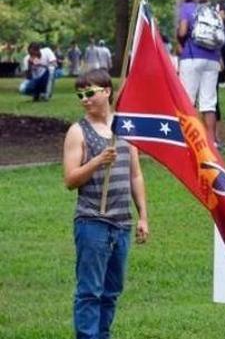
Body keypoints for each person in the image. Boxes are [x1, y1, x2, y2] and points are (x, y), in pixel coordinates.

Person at [63, 69, 149, 339]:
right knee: (90, 291)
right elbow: (70, 180)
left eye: (90, 93)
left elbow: (135, 174)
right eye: (80, 95)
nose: (84, 99)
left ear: (107, 91)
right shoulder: (78, 132)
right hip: (92, 221)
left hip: (122, 223)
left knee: (111, 291)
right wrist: (98, 160)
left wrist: (143, 216)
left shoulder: (124, 127)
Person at [176, 0, 224, 145]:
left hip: (192, 56)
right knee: (209, 102)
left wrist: (180, 41)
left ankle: (189, 140)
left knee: (187, 100)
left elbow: (182, 31)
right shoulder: (211, 9)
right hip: (212, 59)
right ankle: (211, 141)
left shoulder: (187, 8)